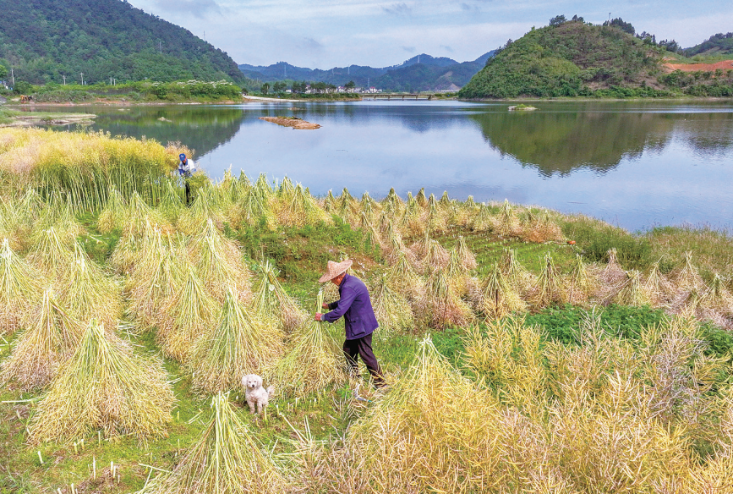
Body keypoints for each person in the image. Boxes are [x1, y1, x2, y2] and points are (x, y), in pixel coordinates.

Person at [315, 259, 384, 386]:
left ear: (337, 277)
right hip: (360, 322)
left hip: (362, 325)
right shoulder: (350, 281)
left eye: (331, 278)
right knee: (348, 349)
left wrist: (323, 317)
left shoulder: (348, 286)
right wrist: (329, 306)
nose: (331, 281)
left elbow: (341, 310)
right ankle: (354, 375)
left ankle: (381, 383)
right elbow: (345, 301)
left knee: (366, 354)